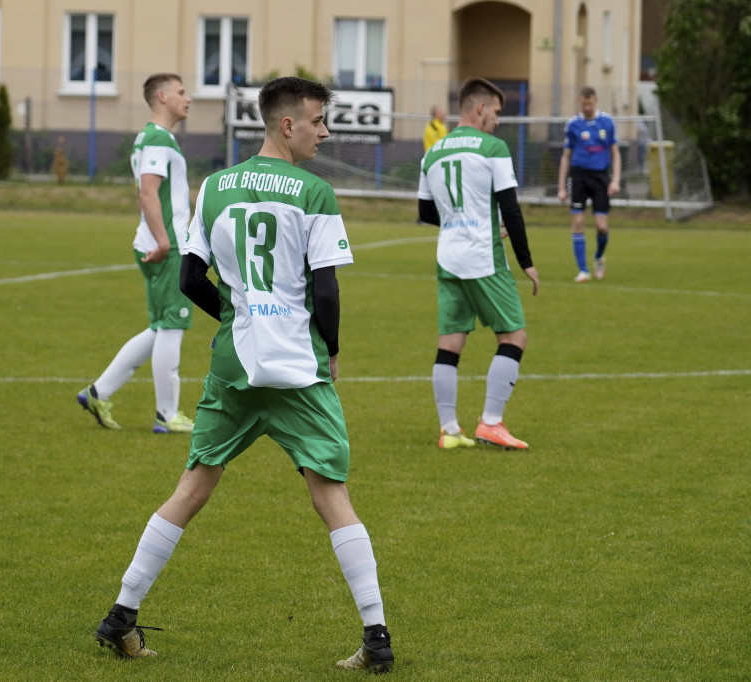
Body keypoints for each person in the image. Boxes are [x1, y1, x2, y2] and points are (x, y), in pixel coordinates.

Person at [93, 77, 394, 673]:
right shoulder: (315, 192)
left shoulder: (215, 188)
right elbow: (326, 287)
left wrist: (236, 315)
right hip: (298, 367)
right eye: (318, 121)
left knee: (193, 487)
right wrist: (330, 348)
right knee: (331, 496)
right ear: (288, 125)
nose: (324, 132)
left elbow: (188, 279)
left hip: (235, 361)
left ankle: (119, 618)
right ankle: (377, 638)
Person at [418, 77, 538, 451]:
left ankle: (449, 430)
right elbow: (510, 208)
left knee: (450, 343)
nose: (498, 121)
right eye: (497, 112)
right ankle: (490, 422)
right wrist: (526, 262)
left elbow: (425, 212)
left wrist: (458, 222)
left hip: (448, 256)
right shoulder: (493, 147)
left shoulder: (432, 153)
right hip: (483, 257)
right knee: (514, 336)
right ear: (480, 108)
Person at [76, 73, 194, 434]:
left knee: (161, 327)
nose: (188, 98)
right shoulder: (158, 140)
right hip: (166, 246)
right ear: (161, 96)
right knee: (172, 325)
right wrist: (163, 242)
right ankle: (167, 414)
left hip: (159, 242)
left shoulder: (153, 138)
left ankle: (99, 391)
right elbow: (147, 193)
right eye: (181, 91)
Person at [556, 86, 621, 283]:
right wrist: (561, 187)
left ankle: (599, 256)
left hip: (600, 177)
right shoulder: (573, 125)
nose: (586, 107)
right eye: (584, 104)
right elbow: (566, 156)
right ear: (580, 101)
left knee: (602, 226)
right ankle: (583, 270)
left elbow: (615, 152)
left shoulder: (607, 122)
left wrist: (615, 179)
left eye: (590, 103)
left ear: (596, 100)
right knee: (577, 222)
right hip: (578, 177)